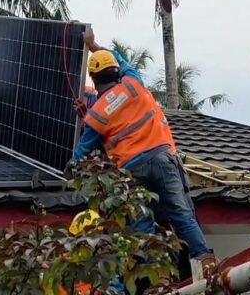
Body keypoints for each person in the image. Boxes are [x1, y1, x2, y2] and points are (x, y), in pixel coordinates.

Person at [70, 27, 216, 286]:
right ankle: (205, 260)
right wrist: (92, 45)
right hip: (162, 159)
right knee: (181, 213)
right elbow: (119, 58)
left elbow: (81, 152)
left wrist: (69, 170)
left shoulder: (97, 113)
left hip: (132, 172)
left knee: (142, 225)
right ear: (116, 71)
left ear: (93, 78)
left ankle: (157, 279)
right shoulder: (133, 83)